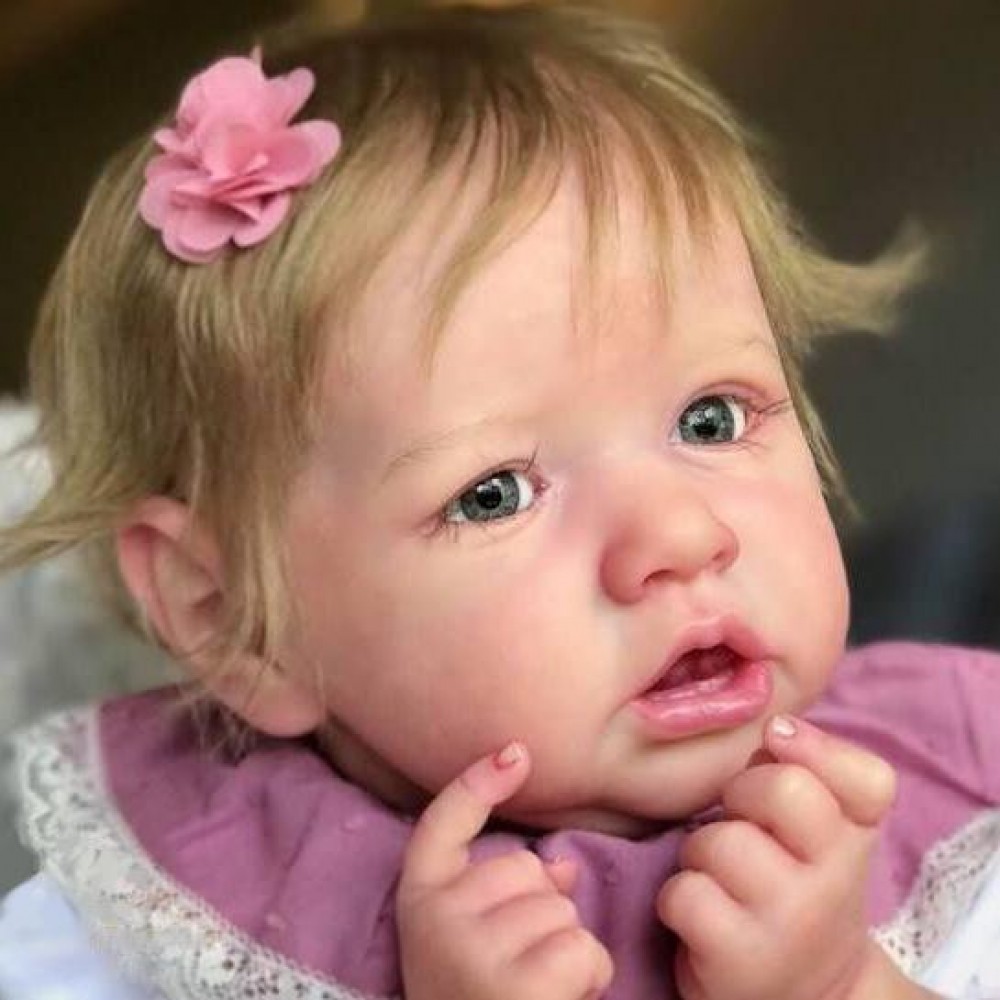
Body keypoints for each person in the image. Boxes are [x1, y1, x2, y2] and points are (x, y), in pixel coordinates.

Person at [1, 3, 998, 998]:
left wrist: (845, 982)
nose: (682, 534)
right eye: (493, 494)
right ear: (235, 621)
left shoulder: (935, 804)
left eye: (710, 420)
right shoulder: (177, 917)